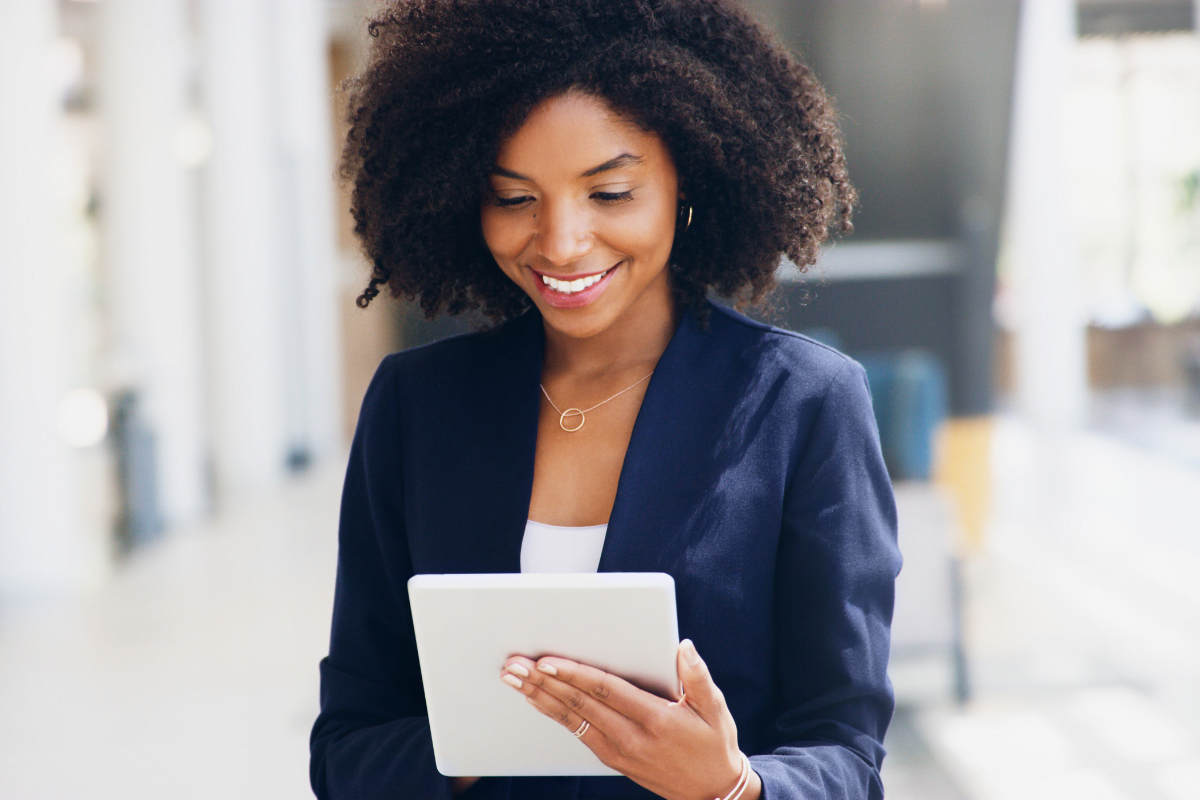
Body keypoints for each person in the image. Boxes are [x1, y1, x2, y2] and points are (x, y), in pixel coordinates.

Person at [309, 1, 901, 798]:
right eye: (515, 198)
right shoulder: (416, 408)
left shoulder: (803, 407)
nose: (560, 242)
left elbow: (846, 754)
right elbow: (346, 748)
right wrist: (479, 737)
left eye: (611, 193)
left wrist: (731, 786)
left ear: (686, 180)